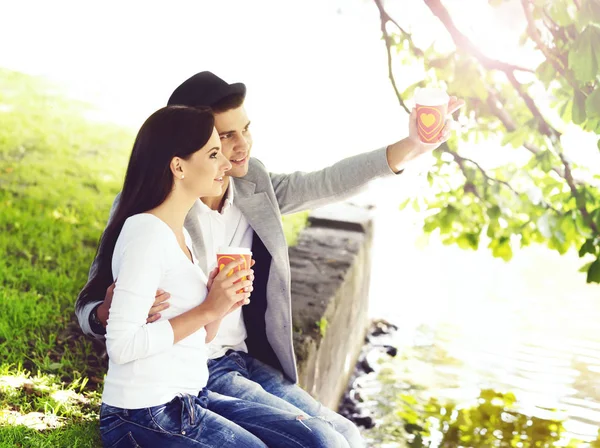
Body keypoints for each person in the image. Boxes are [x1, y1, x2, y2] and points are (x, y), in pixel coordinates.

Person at [76, 71, 464, 448]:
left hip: (242, 358)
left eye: (246, 129)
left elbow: (327, 181)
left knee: (347, 435)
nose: (243, 145)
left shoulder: (252, 182)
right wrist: (103, 314)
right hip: (193, 370)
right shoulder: (158, 213)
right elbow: (94, 306)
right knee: (324, 441)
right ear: (188, 146)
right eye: (225, 138)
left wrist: (413, 145)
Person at [83, 105, 350, 448]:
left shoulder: (180, 237)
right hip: (141, 414)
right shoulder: (145, 234)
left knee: (319, 438)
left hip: (189, 399)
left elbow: (198, 339)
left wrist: (221, 303)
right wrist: (208, 309)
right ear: (178, 166)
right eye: (213, 154)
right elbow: (122, 346)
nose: (226, 163)